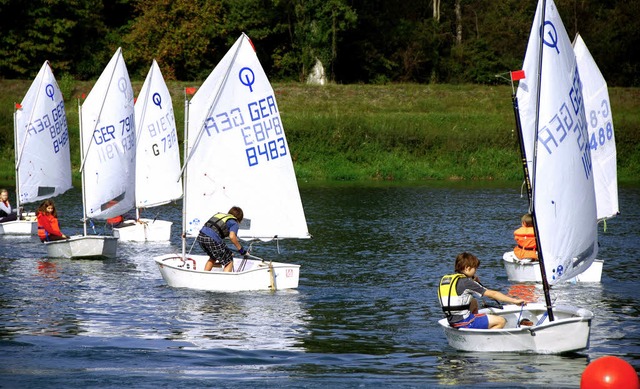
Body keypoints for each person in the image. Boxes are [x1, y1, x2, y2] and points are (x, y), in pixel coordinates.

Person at [438, 252, 526, 329]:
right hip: (463, 322)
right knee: (501, 321)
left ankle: (476, 324)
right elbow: (493, 294)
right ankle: (486, 340)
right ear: (467, 268)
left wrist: (472, 280)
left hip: (451, 321)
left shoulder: (447, 279)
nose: (475, 271)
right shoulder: (467, 283)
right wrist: (514, 301)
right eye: (474, 268)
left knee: (473, 301)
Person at [197, 206, 247, 272]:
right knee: (229, 261)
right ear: (239, 218)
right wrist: (241, 250)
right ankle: (225, 281)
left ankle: (204, 275)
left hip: (201, 236)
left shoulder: (220, 215)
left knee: (213, 257)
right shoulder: (234, 222)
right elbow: (232, 237)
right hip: (212, 238)